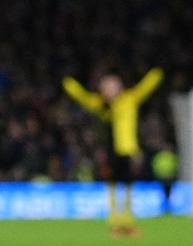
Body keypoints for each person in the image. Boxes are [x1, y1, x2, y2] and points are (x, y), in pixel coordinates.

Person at [62, 67, 163, 236]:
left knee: (129, 187)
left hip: (128, 150)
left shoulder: (129, 99)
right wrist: (68, 82)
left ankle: (129, 222)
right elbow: (81, 96)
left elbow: (146, 87)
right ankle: (115, 223)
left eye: (113, 86)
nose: (110, 89)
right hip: (110, 151)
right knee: (113, 186)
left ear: (120, 87)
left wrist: (157, 72)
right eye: (107, 87)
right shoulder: (99, 104)